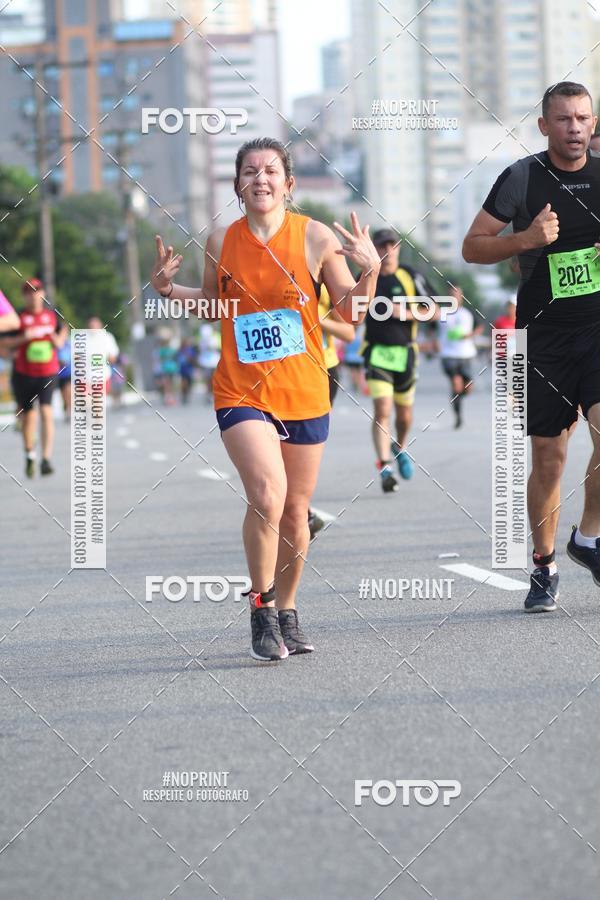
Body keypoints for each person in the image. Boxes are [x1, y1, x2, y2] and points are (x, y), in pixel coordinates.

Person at [150, 136, 381, 661]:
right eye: (250, 171)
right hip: (240, 390)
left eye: (271, 171)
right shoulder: (220, 241)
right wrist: (168, 291)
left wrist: (370, 270)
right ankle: (261, 607)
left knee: (296, 513)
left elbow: (351, 314)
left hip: (304, 390)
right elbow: (214, 306)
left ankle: (288, 612)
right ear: (237, 185)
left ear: (289, 184)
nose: (261, 179)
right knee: (267, 492)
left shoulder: (316, 237)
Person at [463, 80, 600, 612]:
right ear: (544, 126)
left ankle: (588, 537)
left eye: (583, 118)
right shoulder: (521, 179)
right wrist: (525, 240)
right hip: (542, 338)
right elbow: (472, 248)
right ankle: (543, 564)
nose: (574, 128)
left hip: (597, 330)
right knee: (550, 456)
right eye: (563, 119)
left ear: (593, 123)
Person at [362, 229, 436, 492]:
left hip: (406, 352)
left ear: (398, 249)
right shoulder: (366, 276)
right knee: (382, 410)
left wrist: (405, 312)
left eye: (392, 246)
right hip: (377, 352)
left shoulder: (410, 276)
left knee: (404, 417)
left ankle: (399, 446)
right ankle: (384, 466)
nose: (387, 251)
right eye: (382, 246)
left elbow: (435, 310)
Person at [308, 284, 355, 537]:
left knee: (302, 446)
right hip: (272, 371)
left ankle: (301, 509)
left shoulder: (324, 285)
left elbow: (348, 332)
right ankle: (300, 510)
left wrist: (316, 320)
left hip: (322, 370)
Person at [9, 278, 66, 477]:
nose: (34, 295)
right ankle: (30, 455)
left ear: (42, 294)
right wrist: (22, 338)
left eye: (37, 290)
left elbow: (62, 335)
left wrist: (57, 340)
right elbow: (5, 342)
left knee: (46, 412)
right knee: (29, 417)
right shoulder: (17, 318)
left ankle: (46, 459)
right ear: (24, 295)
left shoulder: (52, 316)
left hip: (48, 373)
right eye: (29, 291)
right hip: (24, 374)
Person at [435, 284, 483, 430]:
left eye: (457, 294)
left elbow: (479, 327)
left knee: (467, 388)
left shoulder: (468, 313)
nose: (454, 297)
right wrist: (434, 341)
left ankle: (456, 398)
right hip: (448, 354)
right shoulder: (442, 313)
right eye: (451, 294)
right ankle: (458, 417)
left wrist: (469, 335)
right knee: (456, 384)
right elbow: (432, 329)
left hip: (466, 354)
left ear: (461, 297)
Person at [177, 336, 198, 404]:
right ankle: (184, 395)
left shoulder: (191, 350)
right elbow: (177, 358)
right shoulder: (180, 350)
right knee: (184, 382)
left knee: (189, 383)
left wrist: (190, 359)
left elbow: (194, 359)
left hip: (189, 368)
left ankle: (187, 394)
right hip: (183, 369)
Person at [57, 336, 72, 422]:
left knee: (69, 391)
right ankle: (66, 407)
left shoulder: (69, 344)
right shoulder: (55, 344)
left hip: (69, 372)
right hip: (60, 374)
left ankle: (70, 411)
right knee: (63, 394)